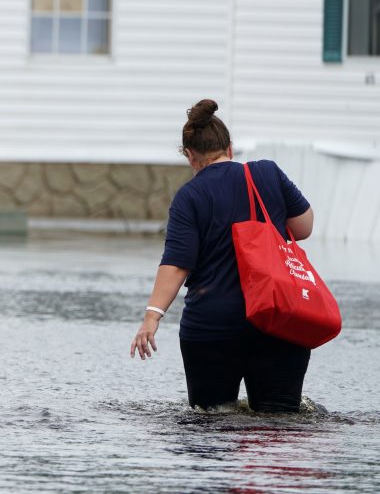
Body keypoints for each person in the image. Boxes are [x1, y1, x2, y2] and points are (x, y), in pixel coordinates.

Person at [129, 99, 315, 412]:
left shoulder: (190, 196)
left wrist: (151, 318)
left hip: (212, 328)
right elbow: (304, 227)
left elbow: (176, 265)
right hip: (278, 320)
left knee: (211, 423)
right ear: (230, 148)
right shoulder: (267, 173)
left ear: (190, 156)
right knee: (281, 424)